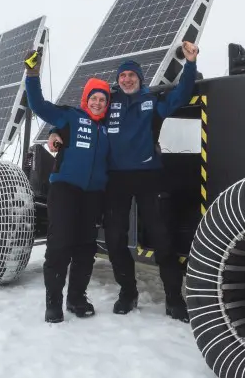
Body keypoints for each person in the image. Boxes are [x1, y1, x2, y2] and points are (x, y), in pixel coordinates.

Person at [47, 41, 199, 322]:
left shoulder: (151, 102)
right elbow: (84, 116)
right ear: (117, 80)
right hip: (116, 179)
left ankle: (174, 299)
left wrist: (189, 64)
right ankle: (127, 292)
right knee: (115, 238)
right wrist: (57, 132)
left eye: (131, 75)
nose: (126, 79)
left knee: (161, 236)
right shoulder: (110, 100)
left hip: (149, 176)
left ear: (140, 79)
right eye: (122, 76)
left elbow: (180, 96)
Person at [23, 49, 112, 323]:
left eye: (102, 99)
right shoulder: (70, 117)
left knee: (86, 248)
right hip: (65, 190)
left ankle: (76, 298)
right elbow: (39, 106)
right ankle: (54, 302)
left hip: (94, 194)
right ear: (86, 99)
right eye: (93, 98)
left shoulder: (108, 129)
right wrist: (32, 75)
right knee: (60, 244)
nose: (97, 103)